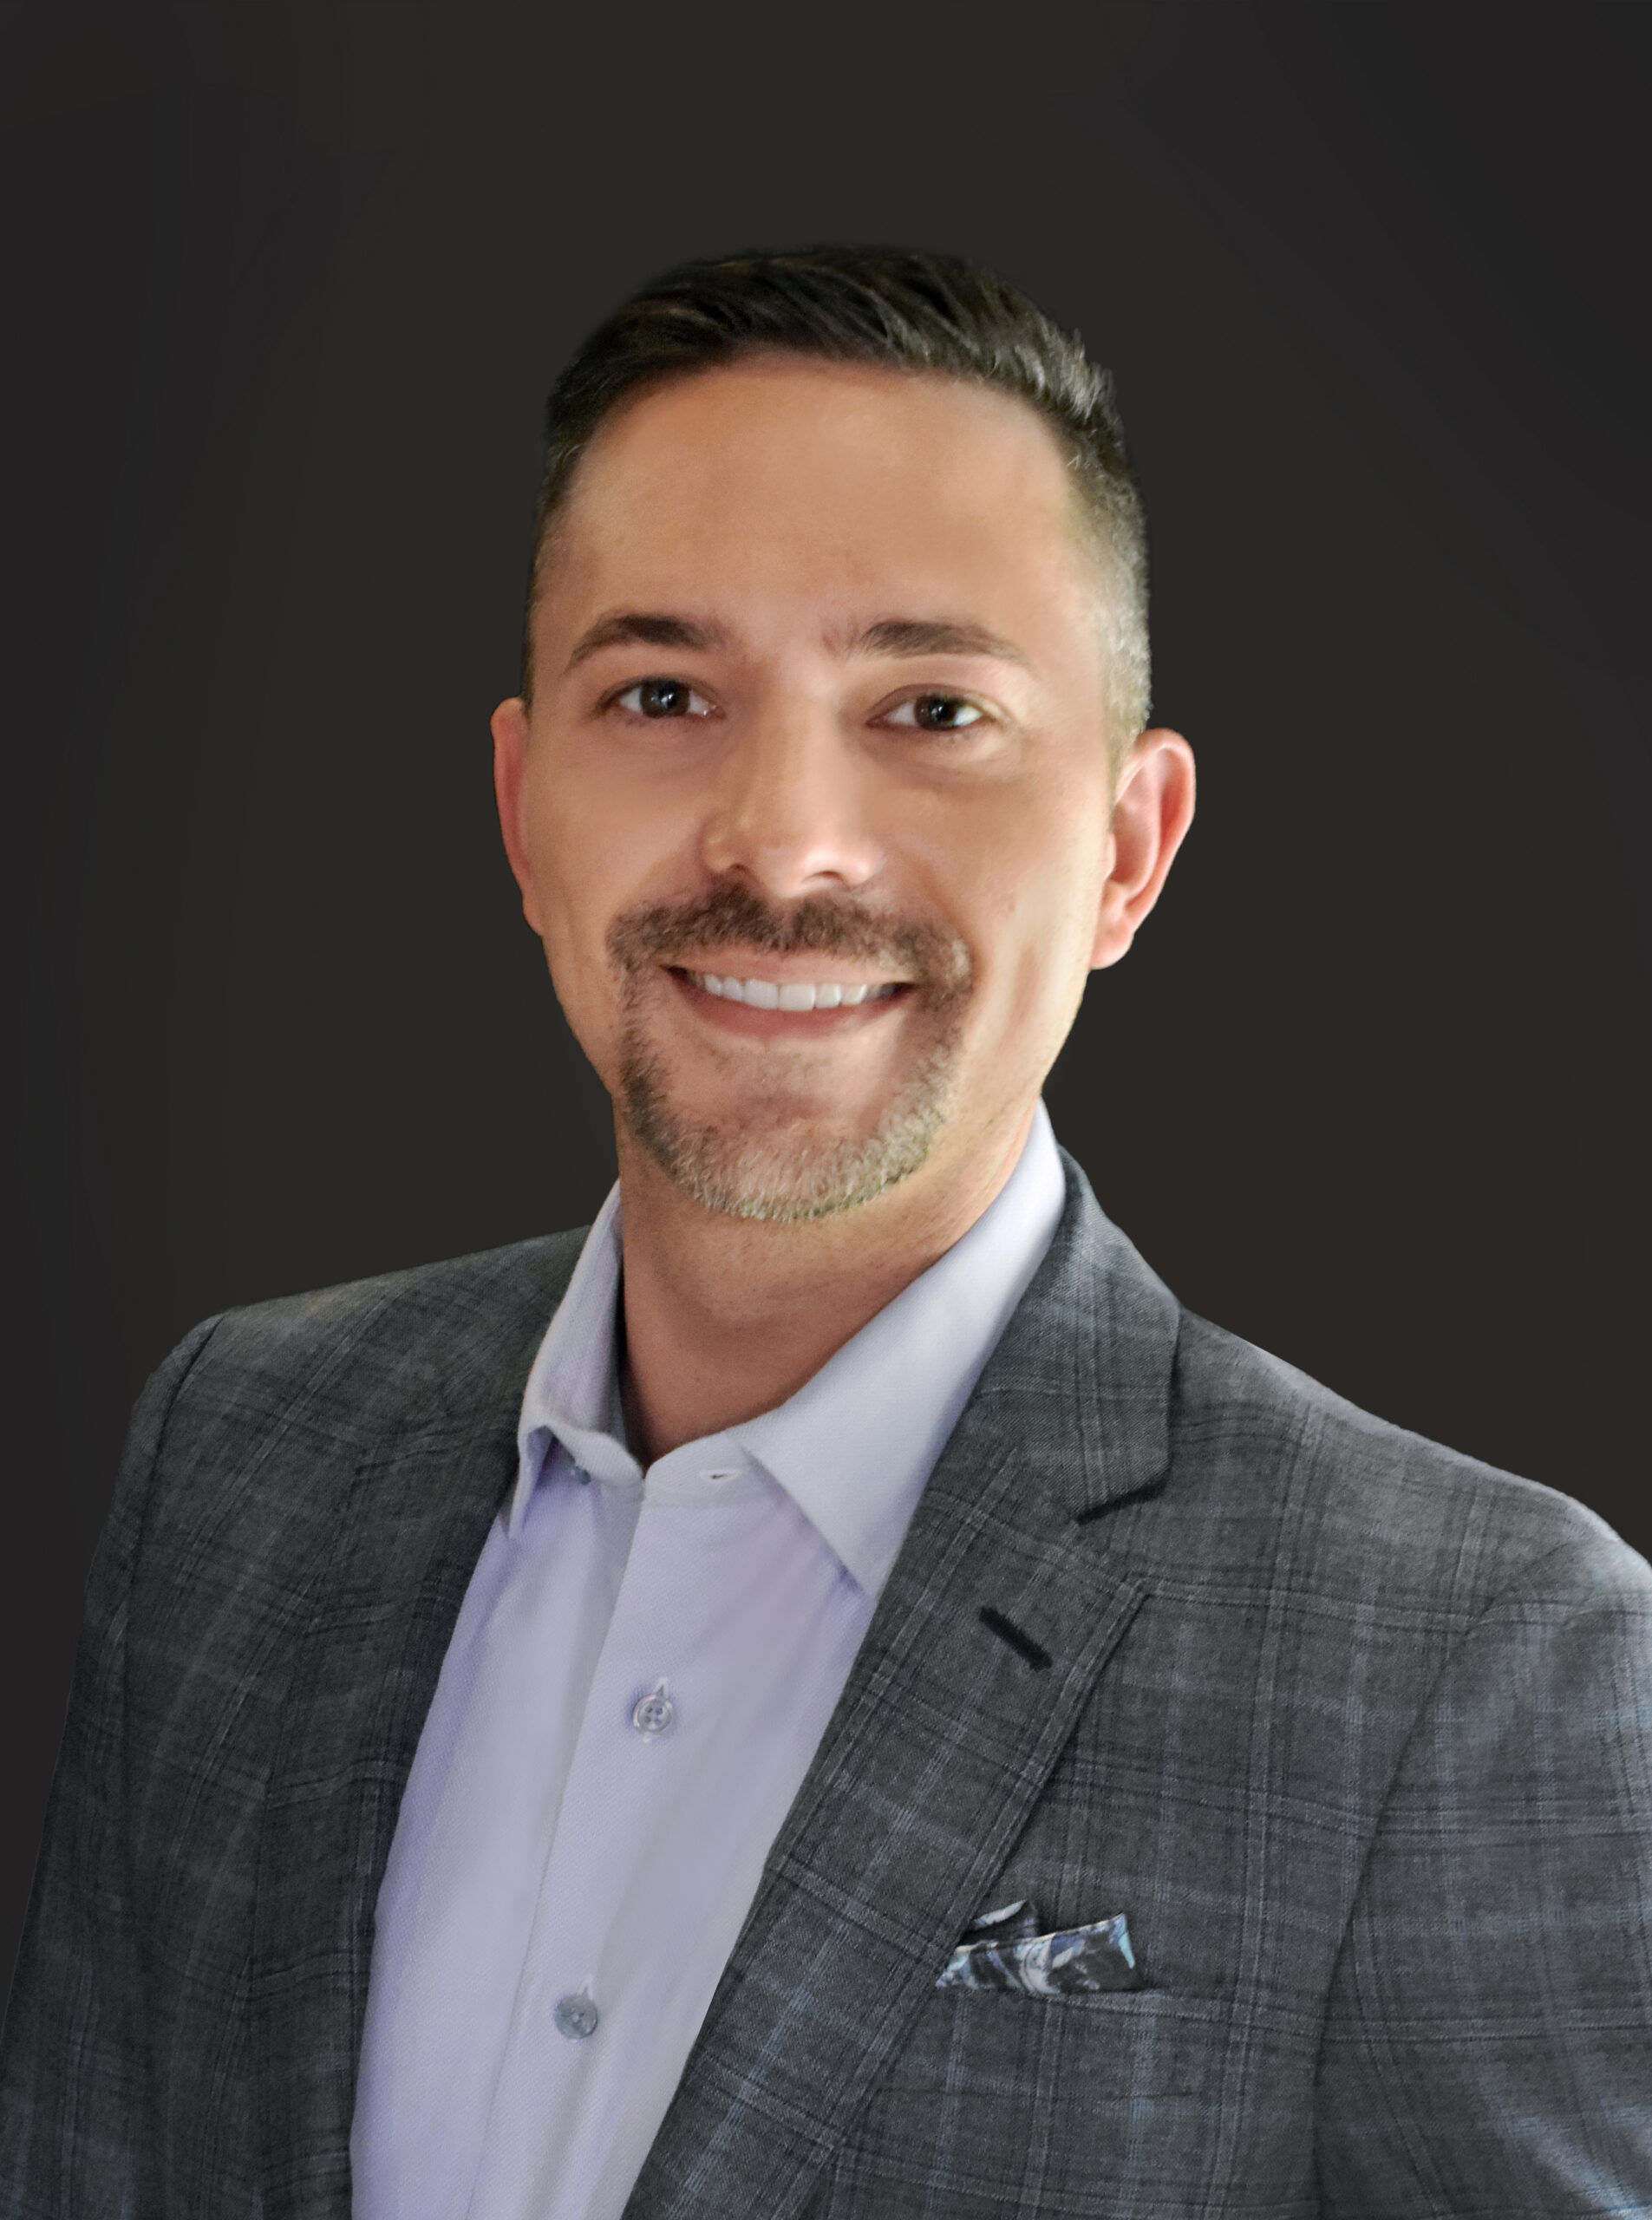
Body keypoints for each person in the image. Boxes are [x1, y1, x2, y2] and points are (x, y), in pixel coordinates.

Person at [3, 246, 1649, 2220]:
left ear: (1127, 846)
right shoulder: (234, 1458)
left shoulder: (1477, 1657)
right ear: (524, 807)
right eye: (664, 691)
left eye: (929, 706)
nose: (780, 846)